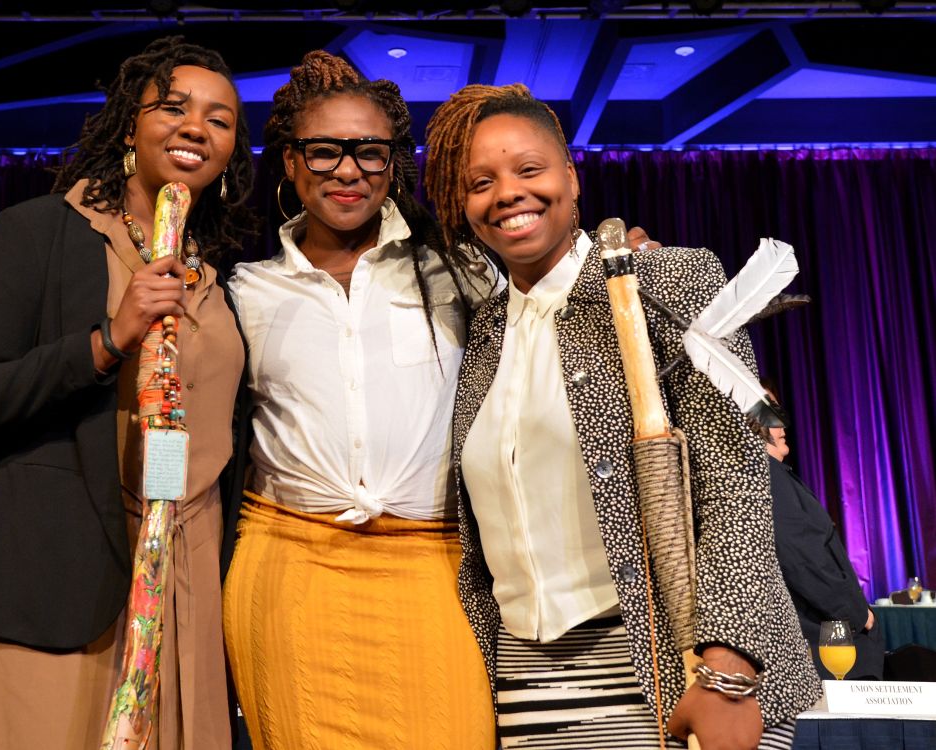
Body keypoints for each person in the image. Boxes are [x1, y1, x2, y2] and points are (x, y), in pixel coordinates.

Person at [423, 83, 821, 749]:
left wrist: (727, 668)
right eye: (480, 182)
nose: (507, 194)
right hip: (530, 678)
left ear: (571, 178)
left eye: (529, 169)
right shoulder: (482, 334)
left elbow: (737, 484)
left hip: (681, 661)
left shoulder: (665, 284)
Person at [0, 36, 258, 750]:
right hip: (59, 575)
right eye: (173, 108)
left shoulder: (219, 271)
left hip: (187, 584)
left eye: (220, 119)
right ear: (126, 124)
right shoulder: (40, 232)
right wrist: (107, 340)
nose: (195, 128)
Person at [220, 50, 500, 750]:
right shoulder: (245, 291)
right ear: (289, 162)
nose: (348, 171)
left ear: (392, 163)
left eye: (370, 153)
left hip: (431, 569)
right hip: (290, 572)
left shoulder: (457, 273)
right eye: (324, 152)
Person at [760, 383, 884, 680]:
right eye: (770, 411)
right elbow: (801, 557)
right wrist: (856, 613)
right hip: (826, 644)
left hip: (831, 640)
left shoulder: (778, 477)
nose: (782, 422)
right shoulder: (769, 478)